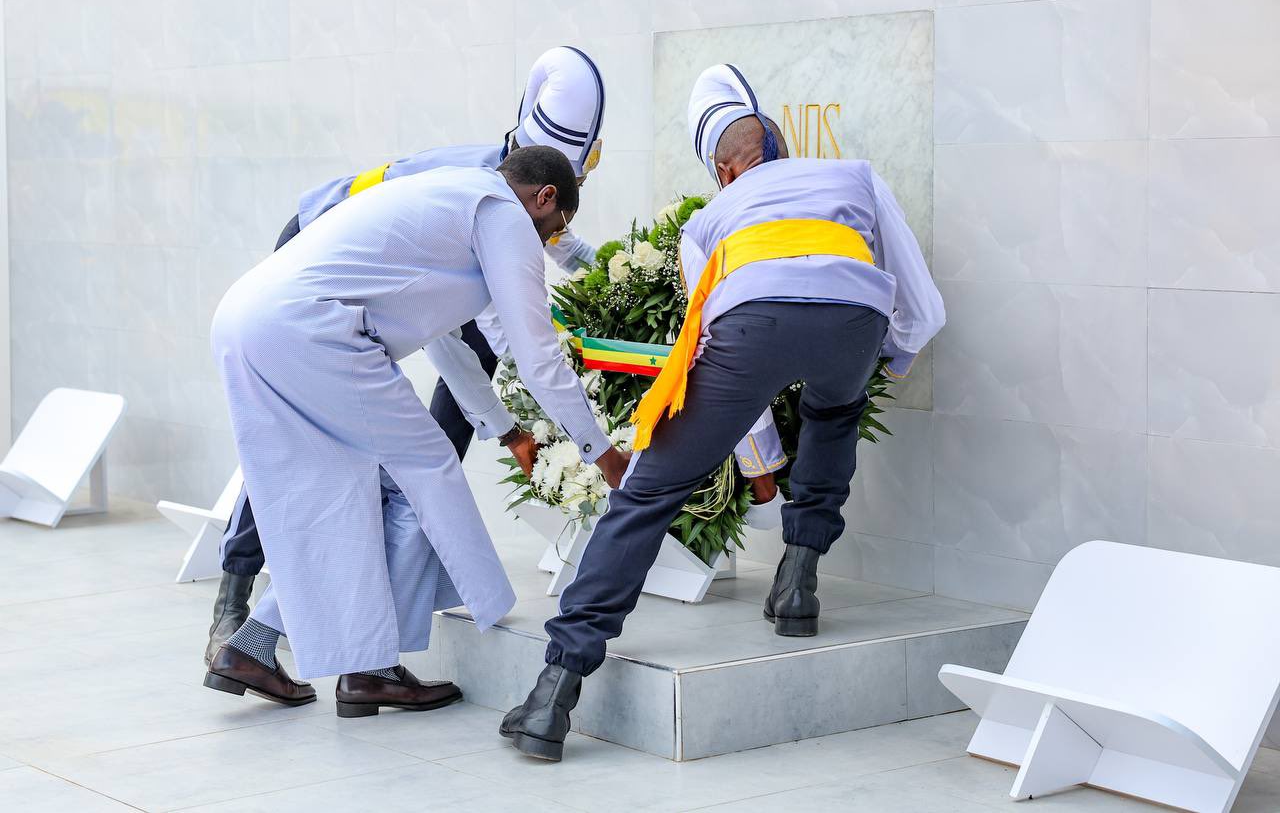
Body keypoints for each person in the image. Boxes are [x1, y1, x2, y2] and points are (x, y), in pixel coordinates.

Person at [500, 64, 946, 761]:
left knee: (648, 493)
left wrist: (760, 462)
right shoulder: (857, 177)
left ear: (724, 169)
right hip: (856, 317)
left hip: (750, 326)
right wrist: (893, 354)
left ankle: (554, 690)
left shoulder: (709, 220)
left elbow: (713, 348)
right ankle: (798, 584)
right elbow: (917, 294)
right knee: (836, 412)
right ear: (780, 147)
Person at [203, 46, 607, 666]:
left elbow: (443, 336)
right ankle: (280, 635)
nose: (547, 242)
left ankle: (295, 652)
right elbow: (524, 351)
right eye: (553, 224)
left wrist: (505, 429)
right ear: (546, 193)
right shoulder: (499, 210)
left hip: (264, 311)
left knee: (354, 476)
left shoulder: (480, 186)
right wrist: (598, 450)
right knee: (410, 473)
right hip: (310, 305)